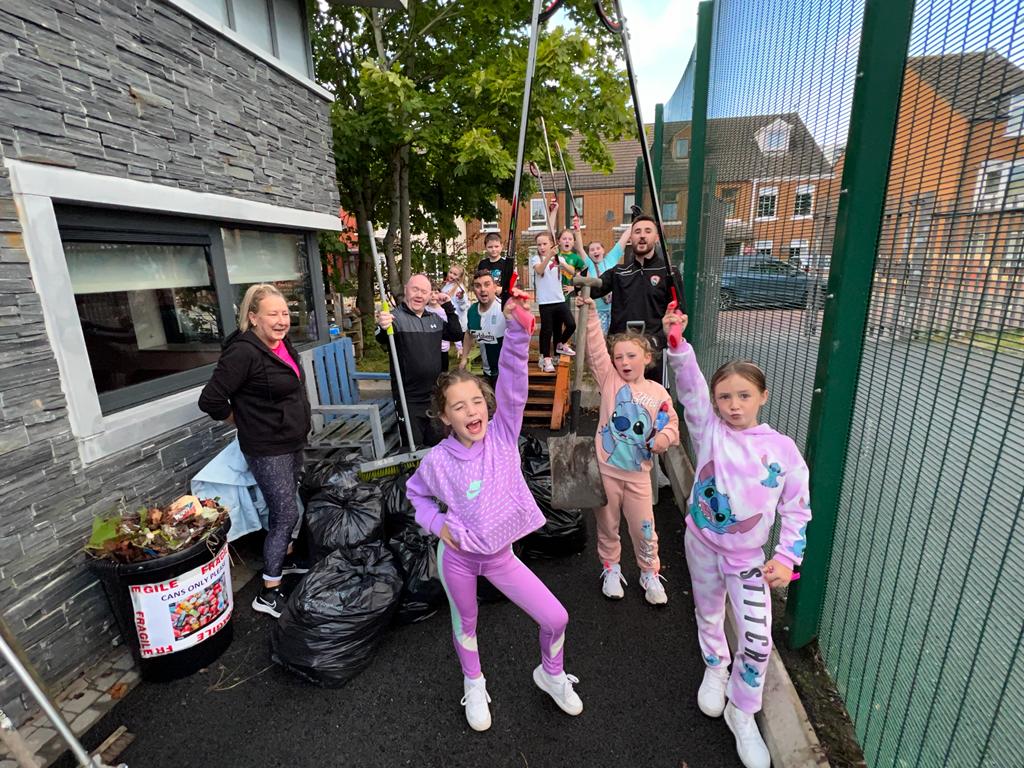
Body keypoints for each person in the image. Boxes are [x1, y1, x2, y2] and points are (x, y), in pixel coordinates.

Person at [406, 295, 583, 732]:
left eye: (476, 402)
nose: (472, 411)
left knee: (556, 617)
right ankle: (474, 681)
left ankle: (551, 673)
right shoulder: (436, 462)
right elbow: (416, 497)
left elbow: (512, 384)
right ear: (445, 417)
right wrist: (439, 525)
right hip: (459, 561)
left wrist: (521, 330)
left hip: (502, 557)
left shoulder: (504, 435)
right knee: (466, 625)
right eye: (459, 406)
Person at [663, 310, 812, 768]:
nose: (733, 404)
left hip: (748, 559)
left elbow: (797, 510)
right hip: (701, 544)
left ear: (762, 397)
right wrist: (677, 346)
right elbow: (688, 389)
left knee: (758, 639)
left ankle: (742, 711)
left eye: (743, 395)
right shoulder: (709, 430)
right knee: (707, 612)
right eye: (724, 396)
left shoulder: (783, 451)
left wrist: (786, 558)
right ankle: (714, 666)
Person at [198, 283, 311, 619]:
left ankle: (286, 558)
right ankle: (268, 591)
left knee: (288, 501)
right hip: (267, 446)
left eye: (285, 313)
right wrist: (244, 421)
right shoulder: (244, 352)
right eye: (272, 314)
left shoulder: (279, 343)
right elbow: (211, 400)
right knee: (285, 514)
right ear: (252, 317)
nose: (281, 320)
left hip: (290, 439)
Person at [576, 294, 680, 605]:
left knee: (644, 528)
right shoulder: (609, 381)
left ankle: (649, 572)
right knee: (607, 527)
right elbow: (595, 348)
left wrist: (662, 440)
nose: (624, 362)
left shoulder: (657, 393)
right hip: (606, 473)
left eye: (631, 356)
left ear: (647, 357)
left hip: (638, 477)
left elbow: (670, 424)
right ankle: (611, 568)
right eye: (619, 357)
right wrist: (592, 314)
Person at [591, 214, 682, 383]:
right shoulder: (619, 271)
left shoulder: (669, 272)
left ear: (656, 237)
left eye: (648, 231)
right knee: (620, 400)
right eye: (637, 231)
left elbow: (679, 310)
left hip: (652, 351)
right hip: (620, 351)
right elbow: (591, 289)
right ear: (630, 238)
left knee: (653, 402)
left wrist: (660, 339)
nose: (642, 235)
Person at [376, 273, 462, 448]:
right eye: (415, 289)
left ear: (430, 296)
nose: (419, 295)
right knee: (413, 448)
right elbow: (381, 336)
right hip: (408, 398)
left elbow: (455, 333)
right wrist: (383, 326)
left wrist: (448, 306)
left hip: (434, 397)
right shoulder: (394, 318)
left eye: (424, 291)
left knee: (437, 446)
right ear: (406, 290)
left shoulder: (434, 319)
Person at [531, 230, 576, 373]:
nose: (542, 247)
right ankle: (547, 359)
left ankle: (560, 344)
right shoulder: (536, 259)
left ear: (551, 244)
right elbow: (539, 270)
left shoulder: (558, 257)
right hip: (545, 302)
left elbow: (572, 271)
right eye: (539, 244)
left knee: (571, 324)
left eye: (544, 243)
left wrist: (563, 265)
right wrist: (548, 257)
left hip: (559, 299)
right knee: (547, 330)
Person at [578, 223, 630, 334]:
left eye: (598, 248)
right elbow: (579, 248)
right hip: (598, 310)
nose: (595, 251)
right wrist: (577, 230)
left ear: (603, 250)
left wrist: (635, 223)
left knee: (615, 338)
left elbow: (623, 240)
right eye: (592, 250)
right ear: (589, 254)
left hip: (614, 309)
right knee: (600, 338)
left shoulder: (611, 259)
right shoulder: (589, 264)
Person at [459, 270, 505, 389]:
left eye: (487, 284)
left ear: (495, 287)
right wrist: (464, 358)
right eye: (478, 286)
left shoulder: (504, 309)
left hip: (506, 372)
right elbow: (469, 335)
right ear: (474, 289)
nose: (482, 289)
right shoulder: (472, 311)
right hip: (486, 372)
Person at [440, 264, 471, 367]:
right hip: (448, 319)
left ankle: (463, 369)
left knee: (461, 348)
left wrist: (461, 298)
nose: (451, 275)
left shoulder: (459, 289)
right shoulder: (446, 285)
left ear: (460, 277)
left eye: (455, 274)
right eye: (450, 272)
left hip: (459, 321)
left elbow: (464, 306)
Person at [475, 232, 516, 306]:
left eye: (496, 246)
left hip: (503, 301)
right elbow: (478, 281)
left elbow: (513, 282)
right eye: (490, 247)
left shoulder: (507, 263)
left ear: (501, 246)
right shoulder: (482, 263)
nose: (493, 249)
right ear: (485, 247)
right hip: (487, 301)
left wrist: (502, 289)